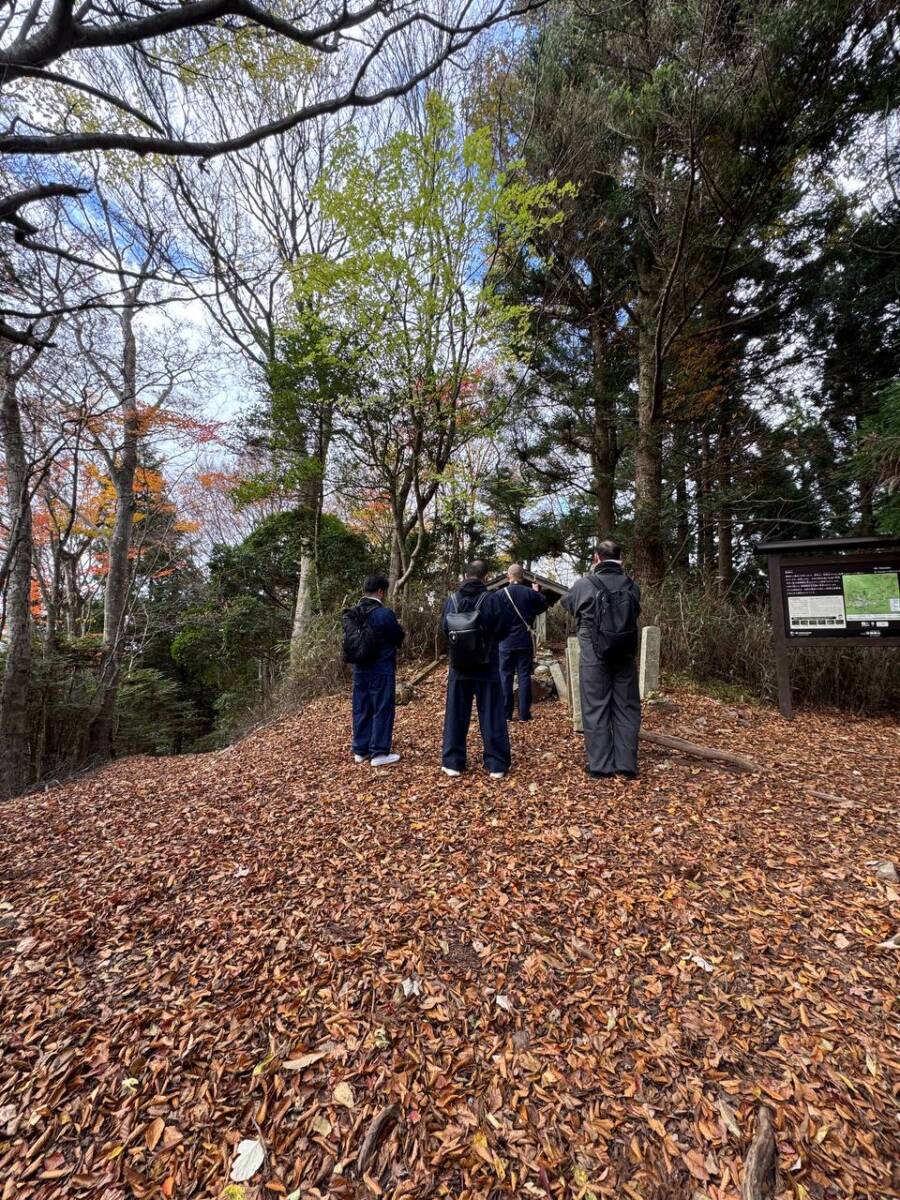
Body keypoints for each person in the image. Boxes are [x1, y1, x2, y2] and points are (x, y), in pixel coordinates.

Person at [561, 539, 642, 779]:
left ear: (597, 558)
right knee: (627, 707)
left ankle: (600, 765)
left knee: (595, 706)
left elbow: (568, 605)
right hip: (625, 654)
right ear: (621, 559)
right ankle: (626, 765)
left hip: (594, 654)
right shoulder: (632, 586)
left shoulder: (584, 584)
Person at [441, 560, 515, 779]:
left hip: (459, 666)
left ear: (466, 575)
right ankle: (496, 764)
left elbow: (444, 628)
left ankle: (453, 762)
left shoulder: (452, 600)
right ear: (486, 576)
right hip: (487, 665)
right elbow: (504, 629)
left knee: (455, 714)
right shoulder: (493, 599)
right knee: (492, 713)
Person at [349, 574, 405, 767]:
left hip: (359, 668)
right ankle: (379, 753)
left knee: (361, 707)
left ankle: (360, 750)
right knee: (382, 708)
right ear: (381, 591)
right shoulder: (384, 614)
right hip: (381, 668)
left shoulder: (353, 612)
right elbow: (398, 638)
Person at [498, 564, 549, 722]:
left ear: (508, 577)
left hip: (505, 641)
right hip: (524, 640)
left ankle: (506, 713)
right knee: (524, 676)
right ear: (522, 577)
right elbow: (543, 605)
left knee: (505, 676)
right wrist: (536, 592)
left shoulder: (499, 594)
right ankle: (524, 714)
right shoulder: (529, 593)